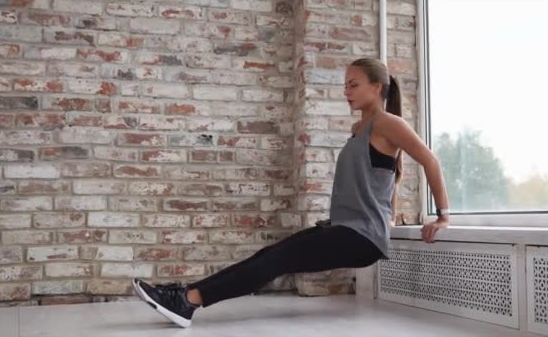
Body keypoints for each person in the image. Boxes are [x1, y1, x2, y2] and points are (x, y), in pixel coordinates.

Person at [132, 58, 451, 328]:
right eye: (345, 85)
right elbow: (385, 176)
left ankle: (187, 300)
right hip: (348, 229)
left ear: (376, 88)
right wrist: (390, 214)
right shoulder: (359, 129)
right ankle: (187, 295)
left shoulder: (387, 122)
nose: (346, 91)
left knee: (274, 260)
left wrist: (443, 216)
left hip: (361, 236)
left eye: (353, 84)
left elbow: (431, 162)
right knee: (269, 257)